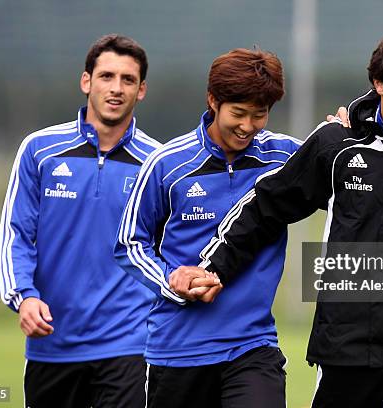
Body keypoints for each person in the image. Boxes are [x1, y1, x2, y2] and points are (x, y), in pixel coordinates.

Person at [196, 31, 383, 407]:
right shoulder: (337, 145)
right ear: (379, 84)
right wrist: (214, 269)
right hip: (348, 349)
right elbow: (267, 206)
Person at [114, 48, 302, 407]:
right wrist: (171, 281)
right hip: (177, 351)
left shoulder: (284, 158)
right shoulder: (166, 164)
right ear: (213, 100)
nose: (248, 126)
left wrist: (345, 132)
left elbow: (342, 170)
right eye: (238, 113)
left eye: (259, 114)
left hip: (252, 345)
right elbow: (129, 244)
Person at [0, 34, 161, 407]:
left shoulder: (158, 162)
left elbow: (167, 250)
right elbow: (16, 234)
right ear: (86, 81)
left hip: (131, 344)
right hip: (53, 342)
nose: (116, 88)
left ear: (142, 91)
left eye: (127, 80)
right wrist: (23, 297)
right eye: (106, 76)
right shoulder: (39, 150)